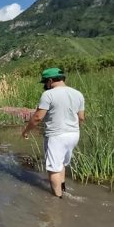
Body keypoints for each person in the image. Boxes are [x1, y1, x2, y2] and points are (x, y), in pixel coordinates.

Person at [22, 68, 85, 198]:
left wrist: (26, 131)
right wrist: (74, 129)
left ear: (50, 81)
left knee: (53, 168)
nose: (45, 85)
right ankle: (63, 189)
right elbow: (81, 117)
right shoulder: (78, 94)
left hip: (56, 136)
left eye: (45, 82)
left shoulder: (48, 94)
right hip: (74, 134)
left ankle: (57, 200)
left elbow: (38, 117)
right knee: (61, 163)